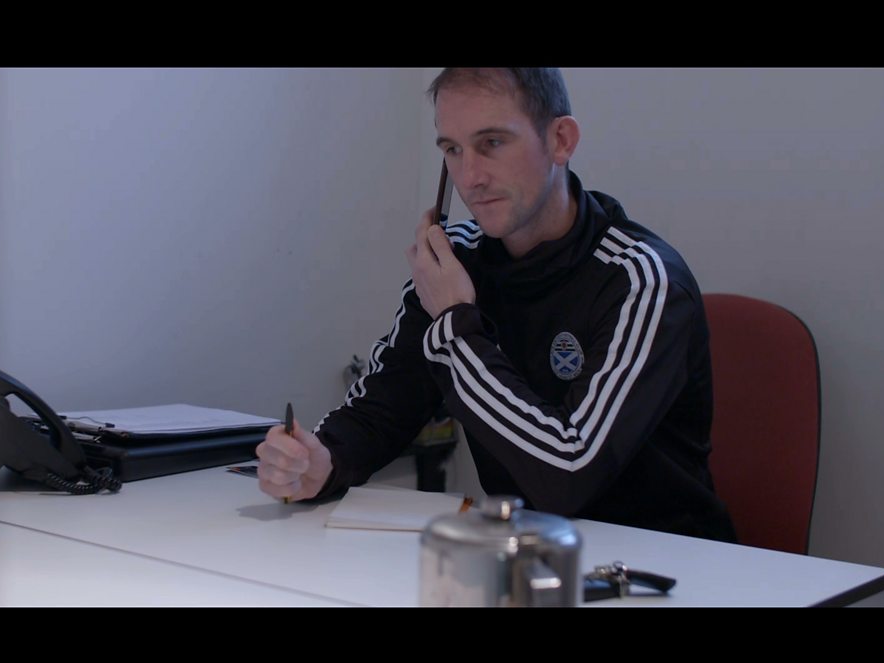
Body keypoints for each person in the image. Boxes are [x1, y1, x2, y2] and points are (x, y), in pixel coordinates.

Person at [255, 68, 736, 542]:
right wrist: (323, 461)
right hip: (521, 554)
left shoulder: (641, 279)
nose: (470, 178)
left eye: (492, 143)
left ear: (561, 141)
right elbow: (384, 407)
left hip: (665, 563)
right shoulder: (457, 261)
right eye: (452, 150)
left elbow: (566, 475)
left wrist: (455, 326)